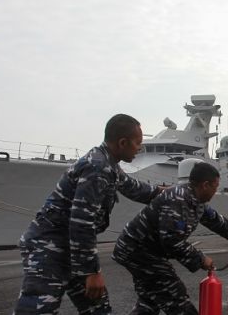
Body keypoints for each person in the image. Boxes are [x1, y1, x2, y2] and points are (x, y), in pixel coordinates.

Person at [14, 114, 163, 314]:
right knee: (38, 309)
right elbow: (81, 222)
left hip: (72, 249)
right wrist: (91, 272)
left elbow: (133, 188)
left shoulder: (109, 164)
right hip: (48, 247)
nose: (139, 148)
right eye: (138, 143)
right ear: (122, 142)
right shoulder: (98, 167)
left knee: (98, 308)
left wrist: (164, 193)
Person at [112, 162, 228, 315]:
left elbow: (216, 220)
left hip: (145, 252)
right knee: (176, 297)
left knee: (150, 301)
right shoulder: (178, 199)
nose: (215, 191)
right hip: (138, 251)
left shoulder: (196, 201)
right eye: (215, 186)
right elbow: (171, 241)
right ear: (205, 185)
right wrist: (200, 258)